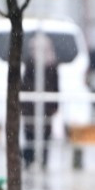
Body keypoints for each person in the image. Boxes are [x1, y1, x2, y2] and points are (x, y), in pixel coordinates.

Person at [21, 33, 59, 170]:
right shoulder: (30, 63)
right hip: (31, 107)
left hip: (46, 107)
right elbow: (25, 84)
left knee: (45, 135)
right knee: (30, 133)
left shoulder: (52, 65)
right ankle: (29, 159)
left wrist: (54, 105)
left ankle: (42, 160)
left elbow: (55, 87)